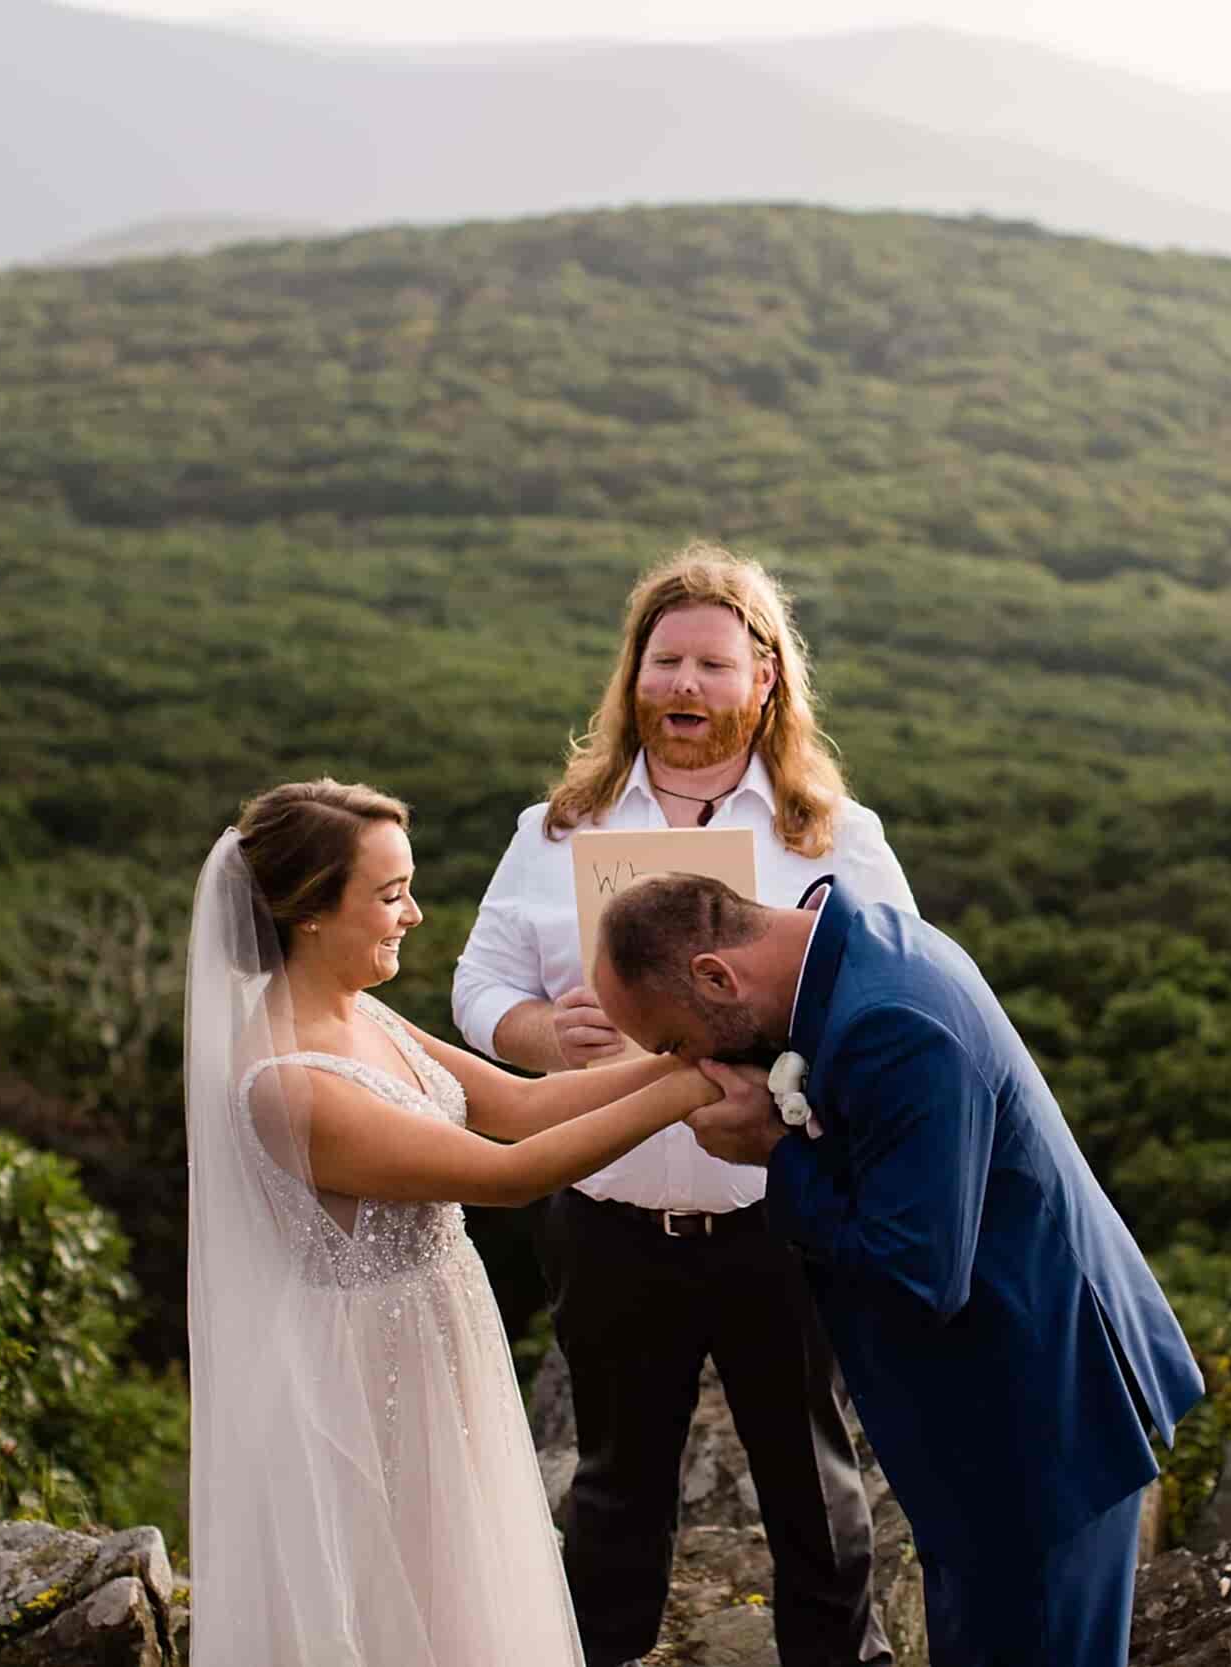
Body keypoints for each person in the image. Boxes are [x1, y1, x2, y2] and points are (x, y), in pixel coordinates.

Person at [453, 544, 909, 1667]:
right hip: (608, 1220)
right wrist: (539, 1035)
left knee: (814, 1487)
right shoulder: (555, 828)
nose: (685, 687)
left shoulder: (831, 834)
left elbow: (897, 1002)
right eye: (665, 662)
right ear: (633, 675)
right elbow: (478, 985)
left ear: (764, 682)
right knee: (612, 1494)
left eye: (712, 663)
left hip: (780, 1216)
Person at [591, 872, 1206, 1667]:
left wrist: (778, 1154)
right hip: (995, 1422)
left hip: (1036, 1425)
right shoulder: (856, 945)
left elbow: (915, 1272)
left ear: (716, 975)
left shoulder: (891, 1022)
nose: (688, 1063)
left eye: (674, 1041)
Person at [185, 778, 727, 1667]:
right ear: (313, 910)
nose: (416, 914)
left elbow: (518, 1104)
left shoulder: (361, 1011)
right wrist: (689, 1091)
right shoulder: (288, 1081)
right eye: (391, 894)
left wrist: (686, 1042)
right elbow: (508, 1174)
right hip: (368, 1386)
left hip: (438, 1344)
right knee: (408, 1606)